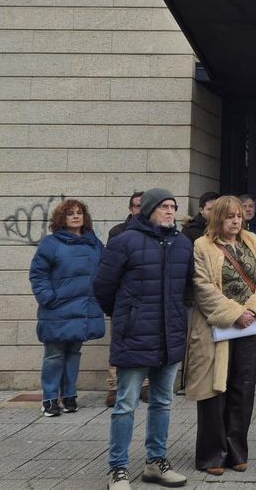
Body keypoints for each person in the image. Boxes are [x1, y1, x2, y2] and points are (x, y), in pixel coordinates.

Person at [93, 188, 194, 490]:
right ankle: (118, 468)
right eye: (164, 206)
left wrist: (176, 316)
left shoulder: (182, 244)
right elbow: (102, 287)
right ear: (148, 209)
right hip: (136, 335)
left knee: (162, 401)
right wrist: (127, 315)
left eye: (173, 207)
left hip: (169, 335)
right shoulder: (125, 242)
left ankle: (156, 461)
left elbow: (188, 287)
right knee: (125, 403)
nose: (169, 211)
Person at [185, 196, 256, 475]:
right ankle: (211, 455)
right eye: (229, 216)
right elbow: (203, 287)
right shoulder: (202, 246)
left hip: (250, 328)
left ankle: (236, 452)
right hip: (217, 327)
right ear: (217, 218)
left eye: (239, 216)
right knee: (214, 390)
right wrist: (236, 313)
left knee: (242, 389)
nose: (236, 221)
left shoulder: (255, 243)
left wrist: (254, 310)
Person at [28, 198, 105, 417]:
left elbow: (106, 269)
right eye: (70, 213)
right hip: (57, 308)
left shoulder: (94, 243)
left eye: (79, 212)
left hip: (84, 308)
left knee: (73, 352)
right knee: (54, 355)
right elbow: (38, 274)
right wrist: (48, 297)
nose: (75, 216)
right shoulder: (51, 243)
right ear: (62, 218)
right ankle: (50, 399)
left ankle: (69, 395)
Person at [105, 191, 146, 407]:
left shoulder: (160, 232)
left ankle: (146, 385)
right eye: (136, 206)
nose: (140, 209)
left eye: (144, 205)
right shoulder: (118, 232)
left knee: (146, 341)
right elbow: (110, 269)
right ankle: (114, 386)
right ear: (131, 209)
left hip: (148, 298)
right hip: (124, 297)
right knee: (118, 341)